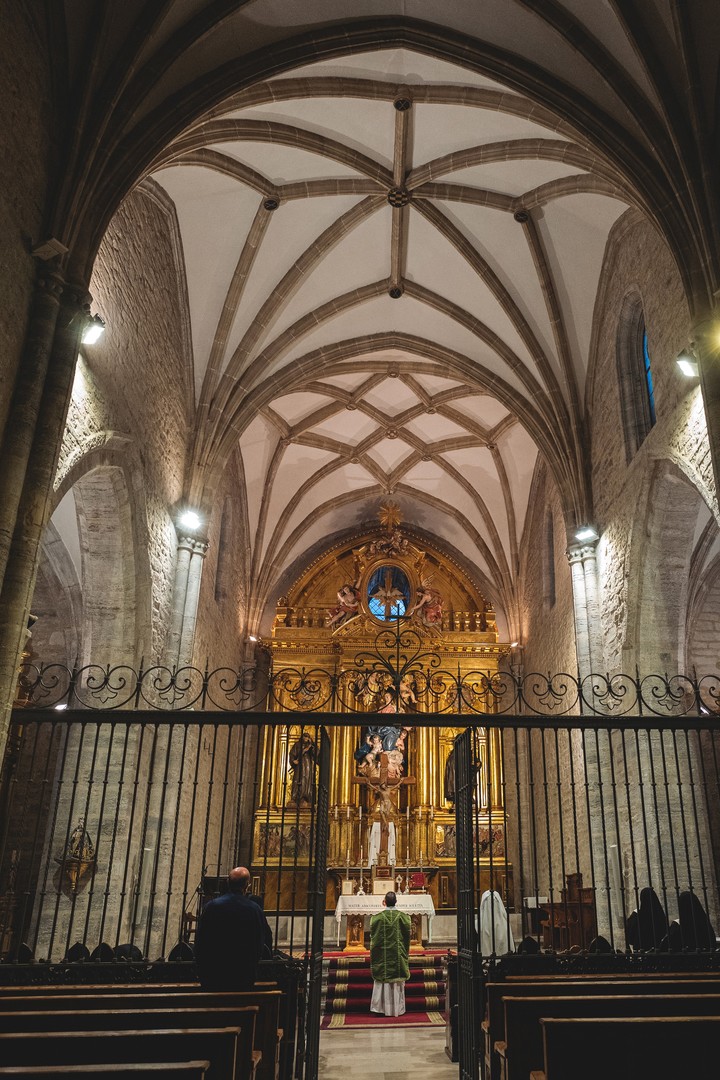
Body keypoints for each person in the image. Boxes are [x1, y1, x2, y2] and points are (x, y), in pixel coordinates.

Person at [194, 866, 272, 989]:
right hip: (243, 973)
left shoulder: (212, 906)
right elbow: (261, 942)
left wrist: (202, 969)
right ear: (247, 885)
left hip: (214, 973)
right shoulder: (254, 909)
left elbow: (201, 940)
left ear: (228, 882)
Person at [369, 891, 411, 1016]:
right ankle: (397, 1008)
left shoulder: (376, 919)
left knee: (383, 977)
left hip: (383, 957)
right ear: (396, 902)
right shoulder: (404, 918)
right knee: (396, 978)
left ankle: (380, 1008)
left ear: (384, 902)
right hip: (398, 956)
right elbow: (407, 938)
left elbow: (374, 939)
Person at [288, 731, 316, 807]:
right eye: (305, 736)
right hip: (299, 765)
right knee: (298, 779)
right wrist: (293, 761)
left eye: (307, 737)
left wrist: (312, 744)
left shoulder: (310, 746)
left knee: (307, 780)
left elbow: (316, 754)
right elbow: (292, 754)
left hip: (307, 764)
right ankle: (295, 797)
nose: (306, 738)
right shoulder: (297, 745)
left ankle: (306, 797)